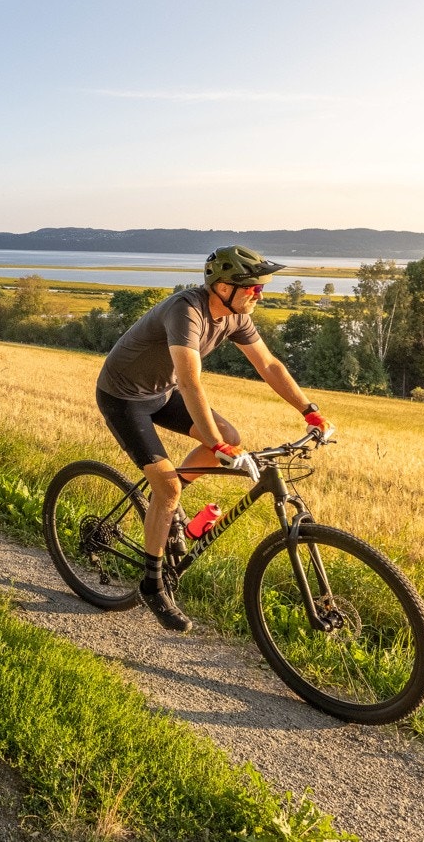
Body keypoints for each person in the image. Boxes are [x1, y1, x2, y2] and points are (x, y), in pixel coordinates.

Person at [95, 245, 335, 633]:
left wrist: (310, 410)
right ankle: (152, 583)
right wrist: (217, 448)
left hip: (161, 392)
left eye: (262, 288)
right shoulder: (186, 311)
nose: (260, 294)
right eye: (253, 288)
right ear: (223, 287)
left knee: (228, 436)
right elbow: (190, 382)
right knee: (171, 485)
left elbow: (269, 365)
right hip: (123, 397)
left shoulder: (236, 317)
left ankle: (168, 509)